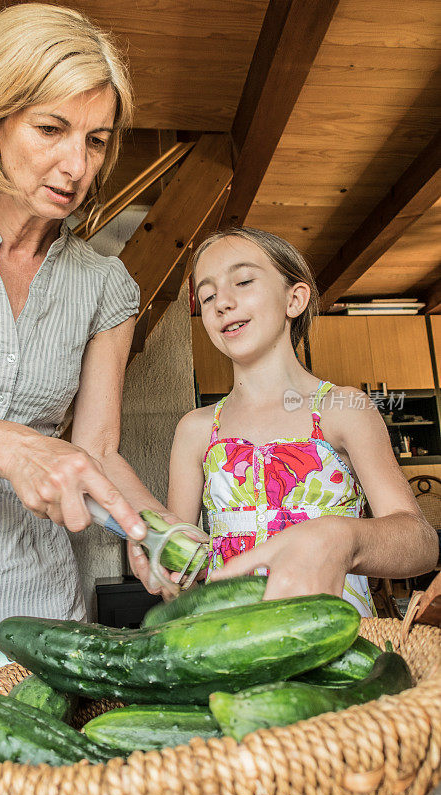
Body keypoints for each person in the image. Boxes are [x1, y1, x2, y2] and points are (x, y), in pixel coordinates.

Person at [0, 3, 174, 655]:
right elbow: (35, 451)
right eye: (51, 128)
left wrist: (156, 533)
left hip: (29, 595)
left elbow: (99, 450)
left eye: (95, 139)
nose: (75, 164)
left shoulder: (106, 287)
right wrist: (13, 447)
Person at [168, 227, 438, 615]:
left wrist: (343, 539)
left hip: (337, 644)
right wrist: (165, 562)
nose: (221, 303)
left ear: (294, 299)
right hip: (231, 649)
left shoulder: (344, 408)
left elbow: (421, 545)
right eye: (207, 295)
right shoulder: (194, 430)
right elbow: (179, 569)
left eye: (243, 281)